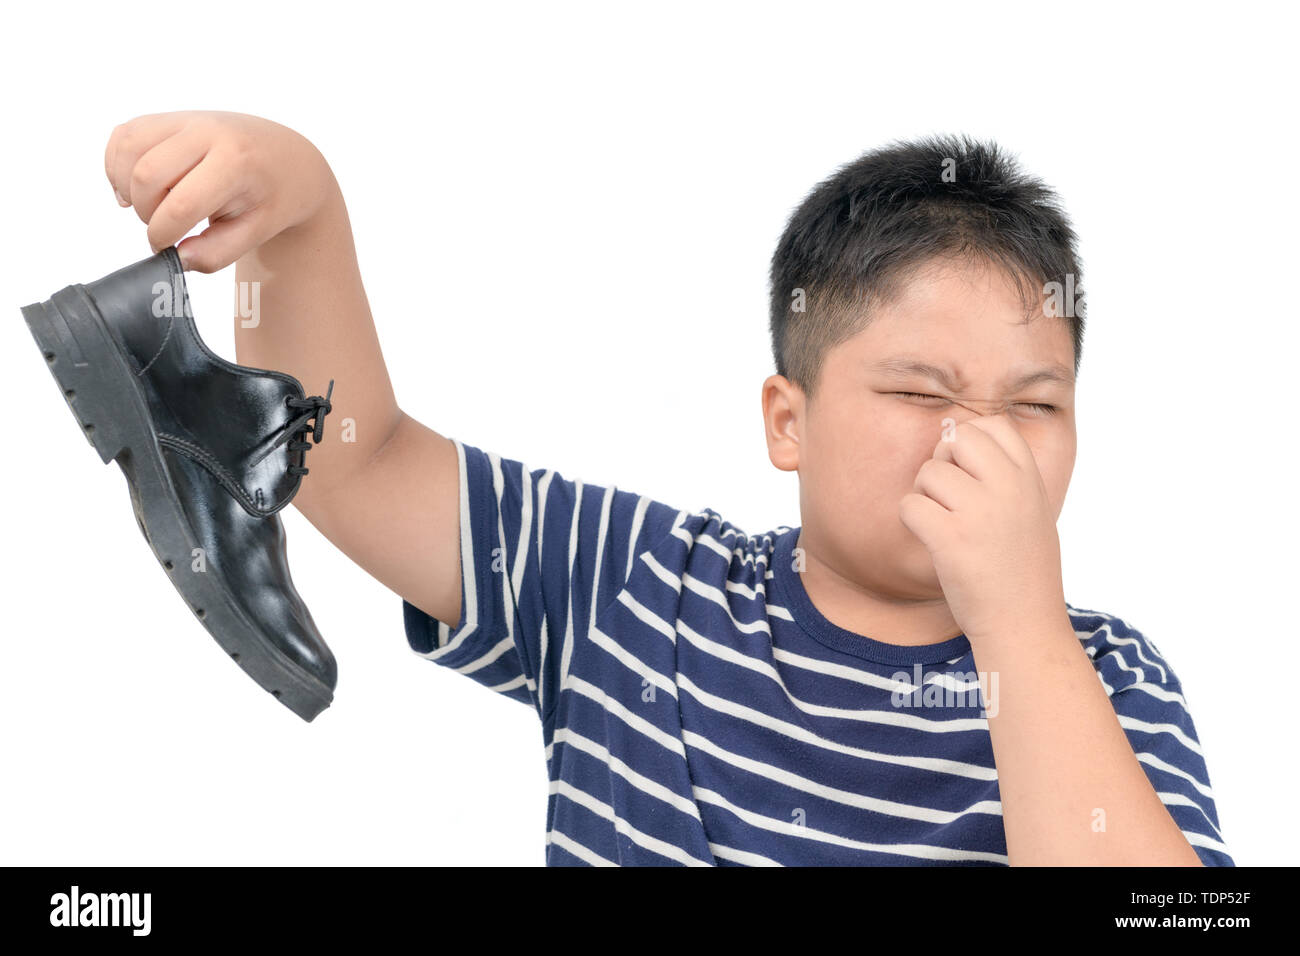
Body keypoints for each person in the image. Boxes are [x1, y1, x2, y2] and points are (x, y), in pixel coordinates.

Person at [102, 112, 1232, 865]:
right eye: (920, 390)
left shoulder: (1108, 681)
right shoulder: (638, 584)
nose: (978, 444)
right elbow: (353, 458)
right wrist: (299, 211)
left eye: (1033, 406)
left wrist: (1022, 630)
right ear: (788, 423)